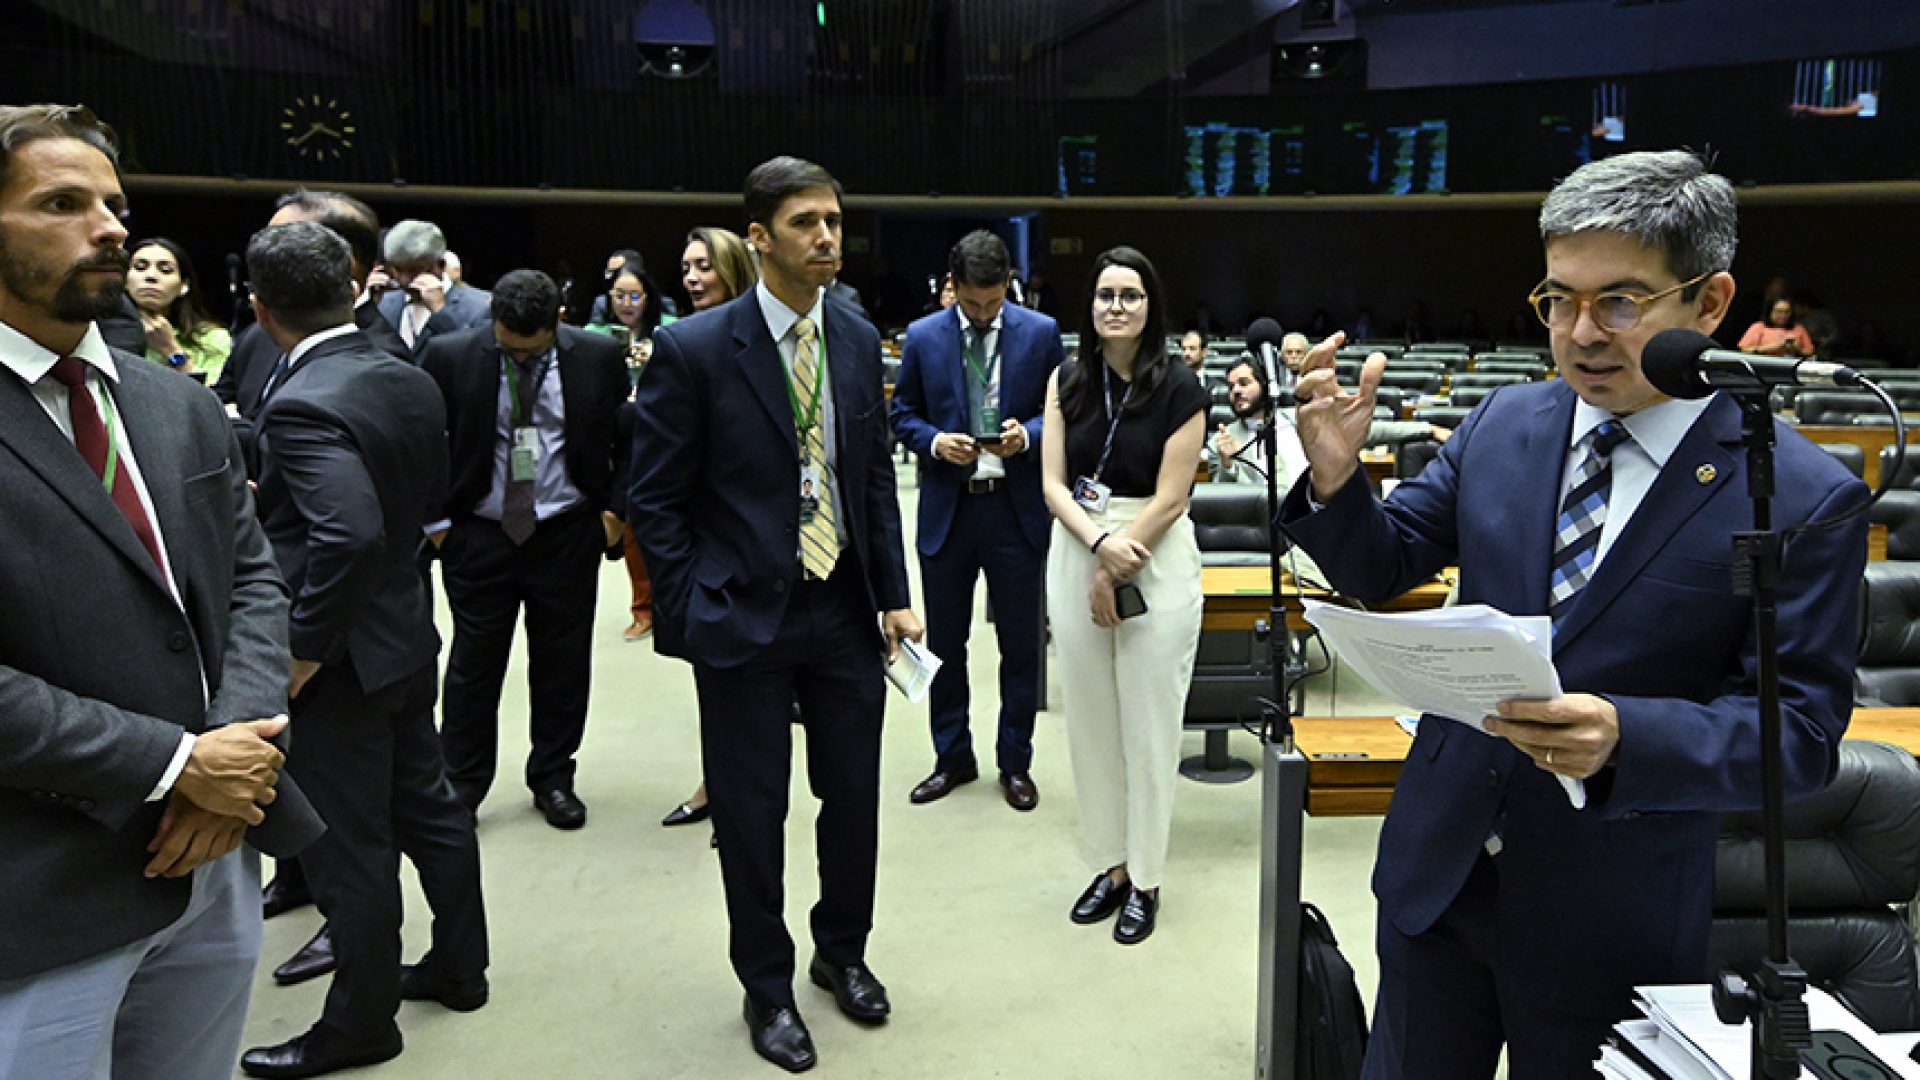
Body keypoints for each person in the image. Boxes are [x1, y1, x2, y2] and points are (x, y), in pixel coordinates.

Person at [1282, 150, 1867, 1077]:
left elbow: (1798, 735)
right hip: (1439, 876)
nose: (1581, 333)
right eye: (1558, 300)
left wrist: (1624, 736)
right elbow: (1383, 563)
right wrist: (1336, 479)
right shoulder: (1502, 426)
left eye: (1620, 302)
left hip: (1614, 912)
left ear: (1709, 304)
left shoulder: (1796, 493)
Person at [0, 101, 322, 1079]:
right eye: (63, 203)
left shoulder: (174, 403)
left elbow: (253, 580)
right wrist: (177, 762)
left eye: (113, 203)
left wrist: (239, 758)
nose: (109, 227)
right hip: (42, 889)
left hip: (216, 857)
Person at [630, 155, 921, 1073]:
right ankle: (766, 984)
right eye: (805, 222)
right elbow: (657, 501)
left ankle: (843, 951)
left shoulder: (852, 329)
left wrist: (899, 596)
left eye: (834, 219)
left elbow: (869, 476)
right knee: (752, 815)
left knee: (853, 798)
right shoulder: (697, 348)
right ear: (759, 237)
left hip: (842, 607)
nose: (827, 236)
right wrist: (688, 607)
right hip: (740, 616)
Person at [237, 221, 489, 1079]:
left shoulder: (301, 397)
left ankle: (361, 1022)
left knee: (348, 844)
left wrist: (303, 647)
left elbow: (343, 530)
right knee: (430, 809)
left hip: (340, 654)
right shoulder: (403, 373)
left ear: (260, 306)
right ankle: (461, 966)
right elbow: (417, 498)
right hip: (406, 630)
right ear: (354, 285)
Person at [419, 270, 628, 829]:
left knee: (562, 664)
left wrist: (613, 515)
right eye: (508, 348)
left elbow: (628, 436)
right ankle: (462, 785)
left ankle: (554, 778)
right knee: (471, 667)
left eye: (531, 351)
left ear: (558, 323)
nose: (519, 358)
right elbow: (418, 441)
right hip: (479, 534)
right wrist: (438, 526)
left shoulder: (598, 355)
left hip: (564, 530)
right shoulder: (448, 356)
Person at [1041, 246, 1206, 947]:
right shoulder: (1067, 379)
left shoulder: (1180, 386)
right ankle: (1109, 865)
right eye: (1105, 295)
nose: (1116, 307)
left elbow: (1173, 497)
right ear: (1091, 307)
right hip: (1079, 546)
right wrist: (1095, 549)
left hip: (1153, 554)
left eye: (1130, 296)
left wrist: (1117, 559)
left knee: (1148, 726)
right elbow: (1052, 483)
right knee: (1093, 724)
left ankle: (1146, 877)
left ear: (1150, 307)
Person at [891, 230, 1064, 811]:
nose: (986, 314)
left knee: (1020, 645)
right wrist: (936, 441)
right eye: (973, 304)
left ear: (1008, 285)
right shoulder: (923, 337)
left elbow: (1062, 411)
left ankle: (1015, 762)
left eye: (995, 302)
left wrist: (1028, 435)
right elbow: (902, 414)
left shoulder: (1039, 335)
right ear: (953, 287)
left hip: (1015, 513)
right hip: (951, 509)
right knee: (946, 644)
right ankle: (952, 758)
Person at [658, 225, 760, 833]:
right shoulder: (680, 344)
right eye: (687, 266)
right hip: (707, 552)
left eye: (705, 266)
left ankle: (735, 795)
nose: (693, 277)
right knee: (719, 685)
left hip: (771, 544)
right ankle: (719, 788)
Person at [216, 189, 409, 481]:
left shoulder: (386, 362)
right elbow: (215, 407)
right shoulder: (259, 331)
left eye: (281, 241)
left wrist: (239, 429)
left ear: (344, 261)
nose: (262, 254)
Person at [590, 260, 664, 642]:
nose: (627, 303)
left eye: (635, 295)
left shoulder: (669, 332)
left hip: (659, 436)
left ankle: (666, 605)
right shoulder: (595, 335)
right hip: (616, 437)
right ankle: (643, 607)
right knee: (629, 526)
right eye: (619, 295)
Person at [376, 219, 492, 357]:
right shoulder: (384, 303)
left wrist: (441, 311)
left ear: (440, 265)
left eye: (414, 270)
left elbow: (475, 359)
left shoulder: (480, 307)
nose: (403, 280)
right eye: (397, 270)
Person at [126, 237, 230, 383]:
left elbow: (214, 401)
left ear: (184, 286)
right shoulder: (102, 332)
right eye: (140, 267)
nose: (151, 276)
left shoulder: (212, 338)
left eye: (165, 270)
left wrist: (171, 349)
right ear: (124, 280)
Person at [1738, 297, 1814, 358]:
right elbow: (1745, 350)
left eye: (1787, 312)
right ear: (1770, 312)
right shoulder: (1759, 327)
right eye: (1779, 312)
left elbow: (1809, 352)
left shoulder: (1798, 329)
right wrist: (1773, 347)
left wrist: (1796, 350)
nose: (1783, 316)